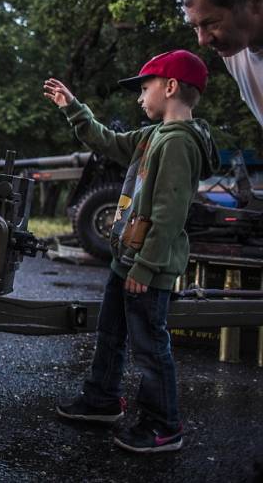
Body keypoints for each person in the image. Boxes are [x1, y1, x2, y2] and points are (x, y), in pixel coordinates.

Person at [43, 50, 219, 453]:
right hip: (128, 261)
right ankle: (101, 399)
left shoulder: (178, 144)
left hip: (146, 268)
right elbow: (106, 141)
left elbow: (169, 213)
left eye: (145, 88)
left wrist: (146, 266)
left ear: (170, 86)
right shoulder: (152, 136)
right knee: (111, 332)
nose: (140, 98)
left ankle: (163, 425)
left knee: (149, 345)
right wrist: (74, 109)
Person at [183, 0, 263, 127]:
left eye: (212, 23)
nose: (202, 40)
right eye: (195, 27)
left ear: (254, 1)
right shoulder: (235, 52)